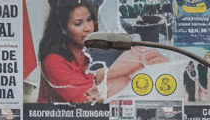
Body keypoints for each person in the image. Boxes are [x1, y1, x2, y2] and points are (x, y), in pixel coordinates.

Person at [36, 0, 166, 103]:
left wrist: (135, 64)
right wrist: (131, 67)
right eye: (78, 23)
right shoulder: (53, 60)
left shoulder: (89, 49)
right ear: (64, 29)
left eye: (89, 20)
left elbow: (155, 62)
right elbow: (88, 97)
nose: (87, 28)